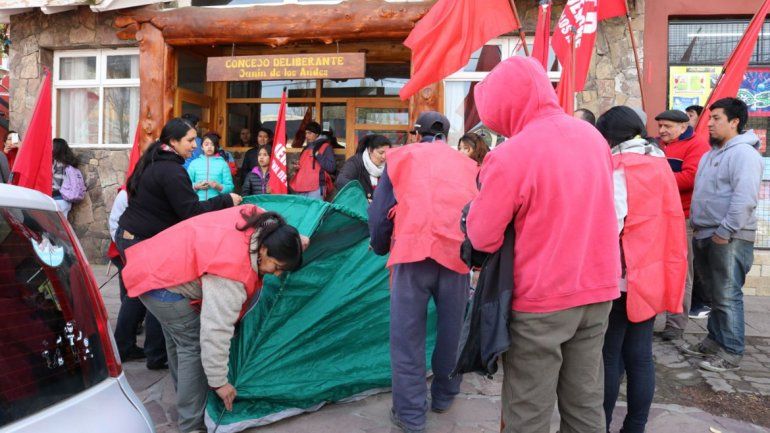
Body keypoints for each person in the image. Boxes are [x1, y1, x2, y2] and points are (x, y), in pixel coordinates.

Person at [465, 57, 620, 433]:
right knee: (584, 404)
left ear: (504, 103)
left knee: (528, 413)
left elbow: (482, 236)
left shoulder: (511, 154)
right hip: (598, 290)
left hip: (542, 300)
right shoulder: (592, 136)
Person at [122, 206, 305, 433]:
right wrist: (220, 382)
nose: (276, 274)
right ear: (265, 250)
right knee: (193, 347)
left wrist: (296, 243)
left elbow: (280, 233)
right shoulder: (232, 273)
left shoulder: (262, 221)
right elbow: (215, 332)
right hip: (163, 285)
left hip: (154, 262)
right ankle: (192, 424)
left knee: (178, 340)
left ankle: (187, 399)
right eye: (277, 267)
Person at [368, 111, 477, 433]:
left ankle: (411, 415)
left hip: (412, 253)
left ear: (416, 134)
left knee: (407, 340)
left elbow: (379, 212)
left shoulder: (400, 158)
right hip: (455, 254)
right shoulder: (468, 164)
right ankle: (444, 395)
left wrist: (379, 245)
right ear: (446, 134)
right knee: (452, 331)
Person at [116, 118, 242, 372]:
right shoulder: (170, 170)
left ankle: (145, 351)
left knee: (144, 296)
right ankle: (153, 353)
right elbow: (191, 211)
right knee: (156, 296)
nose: (194, 145)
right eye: (189, 140)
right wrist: (226, 200)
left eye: (196, 139)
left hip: (136, 237)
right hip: (140, 241)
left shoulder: (160, 161)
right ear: (172, 141)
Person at [597, 106, 687, 433]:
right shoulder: (659, 161)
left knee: (608, 356)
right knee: (640, 355)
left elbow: (610, 224)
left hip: (622, 276)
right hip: (651, 271)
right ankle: (635, 427)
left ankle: (601, 424)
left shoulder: (621, 167)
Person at [682, 97, 764, 373]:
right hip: (706, 232)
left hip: (729, 236)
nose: (711, 124)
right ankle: (714, 341)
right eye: (711, 118)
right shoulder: (710, 154)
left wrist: (726, 230)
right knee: (715, 293)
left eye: (717, 118)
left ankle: (731, 351)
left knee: (727, 294)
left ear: (735, 122)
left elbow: (745, 198)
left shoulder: (744, 154)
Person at [654, 109, 711, 341]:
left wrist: (654, 177)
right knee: (655, 269)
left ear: (682, 126)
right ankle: (649, 318)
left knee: (680, 272)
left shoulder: (697, 145)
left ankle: (675, 325)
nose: (662, 131)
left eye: (667, 126)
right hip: (657, 215)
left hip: (683, 217)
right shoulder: (656, 144)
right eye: (660, 126)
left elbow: (691, 178)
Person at [107, 186, 146, 361]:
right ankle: (124, 344)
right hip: (125, 252)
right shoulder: (125, 194)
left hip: (133, 251)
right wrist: (126, 252)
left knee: (131, 298)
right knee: (133, 297)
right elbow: (114, 224)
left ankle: (128, 340)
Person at [336, 134, 391, 201]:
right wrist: (362, 199)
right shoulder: (355, 162)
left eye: (387, 153)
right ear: (370, 150)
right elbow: (341, 181)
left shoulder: (388, 166)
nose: (384, 157)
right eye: (381, 153)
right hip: (357, 207)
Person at [289, 121, 336, 200]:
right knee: (301, 211)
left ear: (317, 134)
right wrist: (298, 167)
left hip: (316, 188)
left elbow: (331, 167)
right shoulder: (306, 148)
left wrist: (317, 155)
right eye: (306, 133)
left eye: (309, 133)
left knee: (315, 211)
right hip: (301, 186)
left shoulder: (326, 147)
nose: (306, 136)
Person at [187, 133, 235, 201]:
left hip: (218, 204)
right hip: (198, 204)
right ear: (202, 147)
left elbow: (230, 188)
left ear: (216, 147)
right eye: (206, 144)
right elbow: (186, 185)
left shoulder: (223, 164)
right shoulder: (194, 163)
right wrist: (196, 186)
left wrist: (218, 186)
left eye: (212, 144)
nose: (209, 147)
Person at [52, 138, 84, 217]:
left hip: (57, 200)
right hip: (65, 201)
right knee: (63, 226)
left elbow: (55, 185)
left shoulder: (57, 164)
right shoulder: (68, 163)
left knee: (56, 228)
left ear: (56, 148)